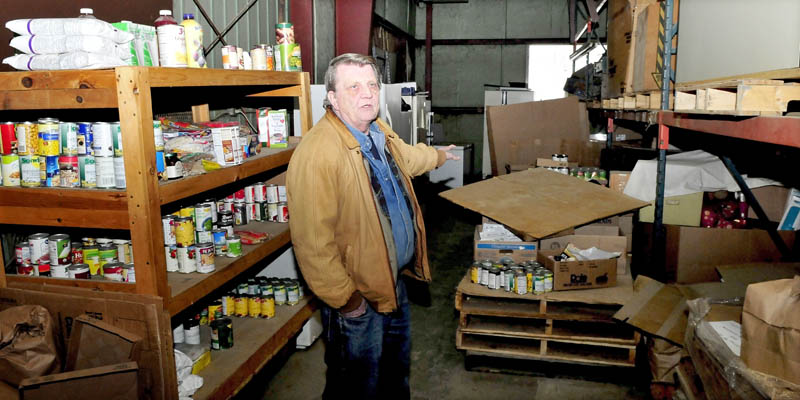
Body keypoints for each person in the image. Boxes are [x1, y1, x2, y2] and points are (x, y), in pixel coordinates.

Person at [286, 53, 459, 399]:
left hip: (392, 283)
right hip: (358, 297)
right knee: (354, 386)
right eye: (353, 87)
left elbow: (407, 158)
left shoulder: (377, 130)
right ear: (333, 98)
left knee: (395, 378)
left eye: (371, 85)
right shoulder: (318, 152)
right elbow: (312, 244)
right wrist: (347, 301)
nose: (367, 94)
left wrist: (438, 155)